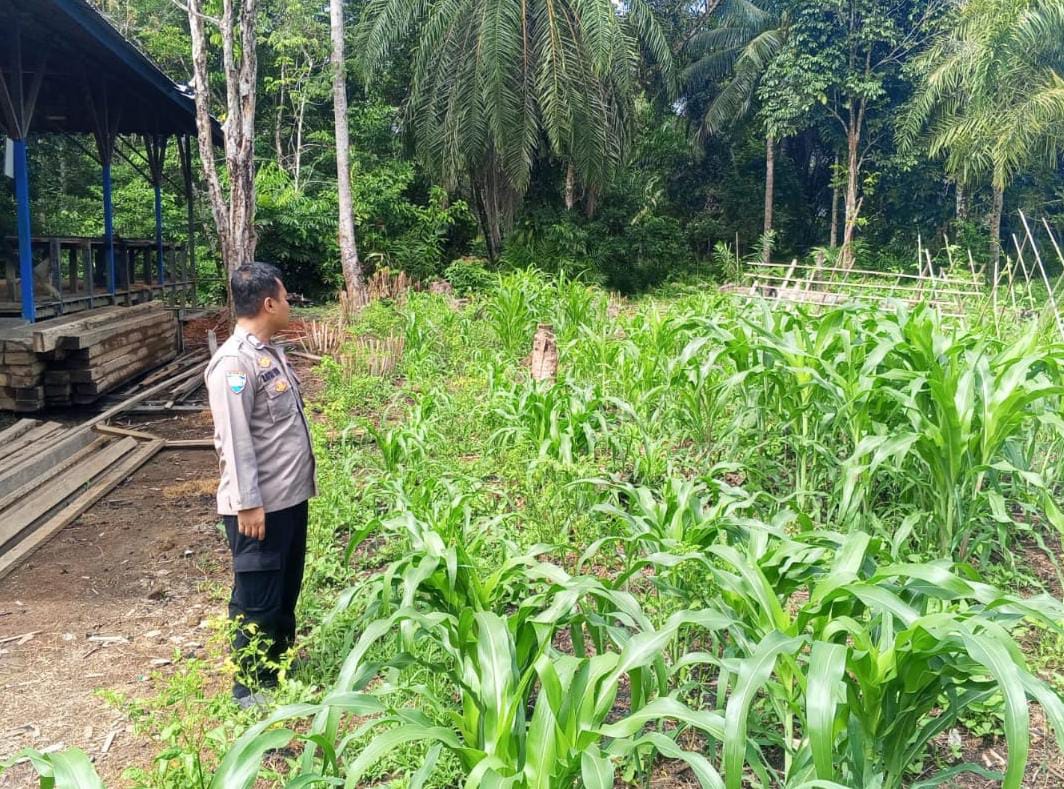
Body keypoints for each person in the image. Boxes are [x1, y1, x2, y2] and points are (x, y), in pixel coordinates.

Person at [205, 262, 316, 707]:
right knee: (257, 594)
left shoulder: (268, 353)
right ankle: (250, 688)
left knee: (285, 584)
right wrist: (248, 503)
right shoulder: (233, 364)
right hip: (259, 507)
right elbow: (235, 440)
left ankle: (278, 662)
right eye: (286, 298)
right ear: (268, 304)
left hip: (288, 497)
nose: (290, 304)